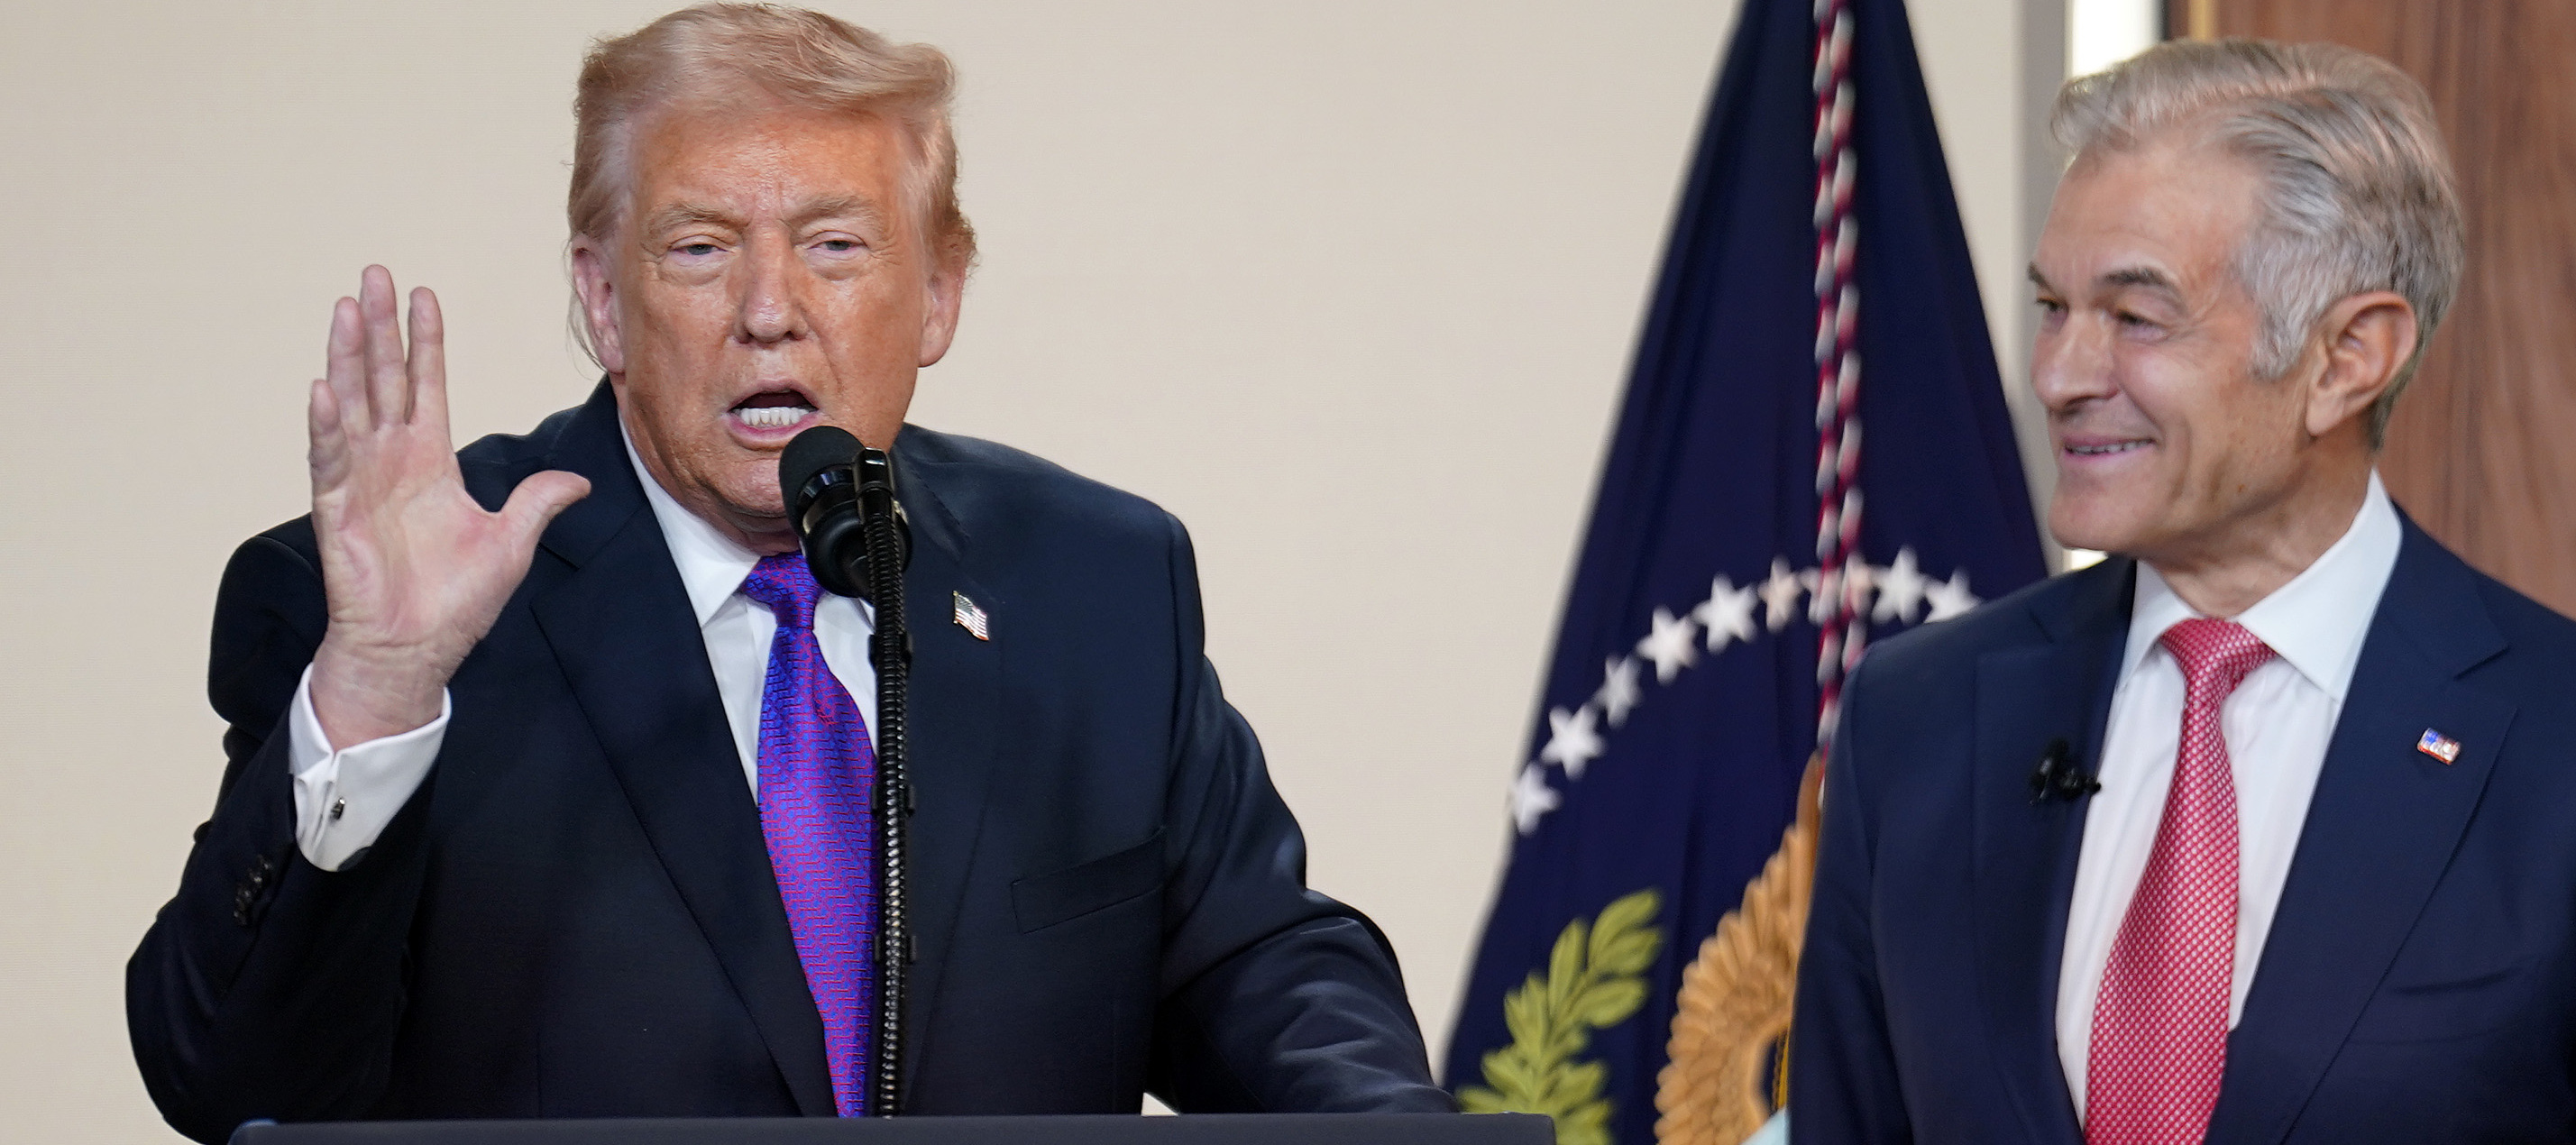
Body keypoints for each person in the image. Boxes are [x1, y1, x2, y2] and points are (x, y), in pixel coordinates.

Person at [125, 7, 1447, 1140]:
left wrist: (1392, 1126)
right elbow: (231, 1080)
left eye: (836, 245)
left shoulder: (1094, 580)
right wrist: (377, 695)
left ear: (939, 291)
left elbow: (1255, 960)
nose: (770, 307)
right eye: (699, 248)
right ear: (599, 298)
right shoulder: (395, 608)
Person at [1792, 38, 2576, 1144]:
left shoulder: (2554, 743)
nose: (2061, 374)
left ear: (2346, 357)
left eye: (2135, 317)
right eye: (2053, 307)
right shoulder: (1916, 721)